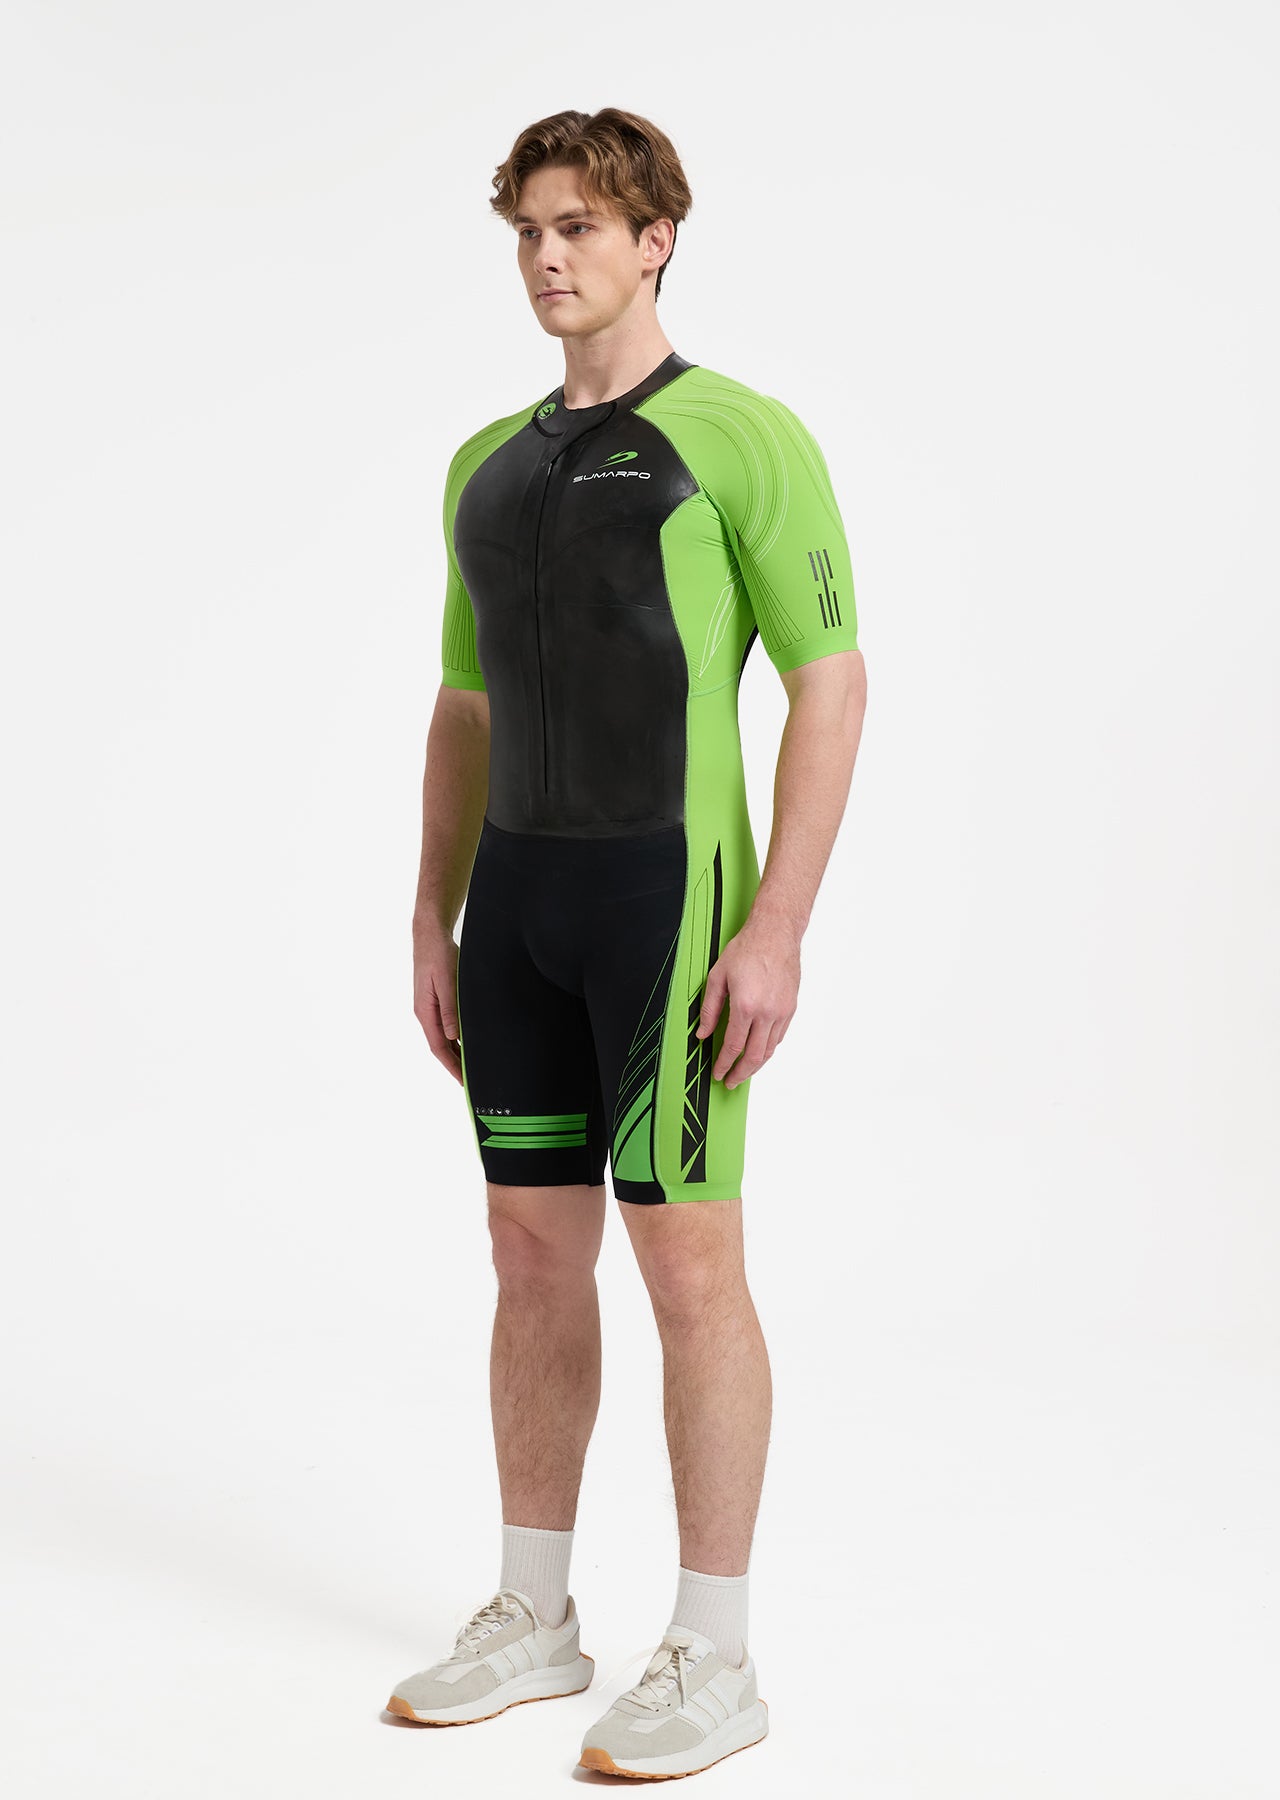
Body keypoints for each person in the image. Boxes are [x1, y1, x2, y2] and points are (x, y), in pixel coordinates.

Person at [390, 107, 867, 1780]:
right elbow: (462, 705)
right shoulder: (487, 462)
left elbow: (829, 684)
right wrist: (433, 910)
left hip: (671, 905)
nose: (548, 255)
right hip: (517, 913)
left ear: (657, 238)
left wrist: (778, 925)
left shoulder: (739, 437)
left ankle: (715, 1653)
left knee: (687, 1263)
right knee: (529, 1251)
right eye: (528, 228)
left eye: (581, 225)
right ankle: (535, 1614)